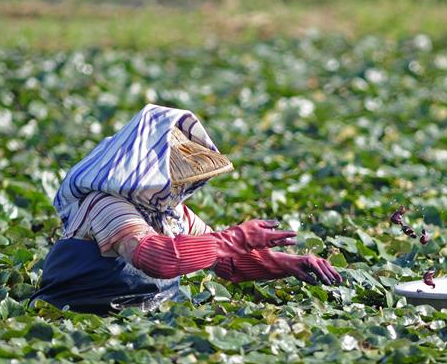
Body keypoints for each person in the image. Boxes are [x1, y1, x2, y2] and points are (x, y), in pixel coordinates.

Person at [30, 104, 341, 314]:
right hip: (85, 312)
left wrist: (291, 264)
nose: (177, 189)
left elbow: (227, 264)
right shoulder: (105, 204)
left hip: (147, 312)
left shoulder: (171, 214)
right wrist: (236, 237)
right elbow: (155, 258)